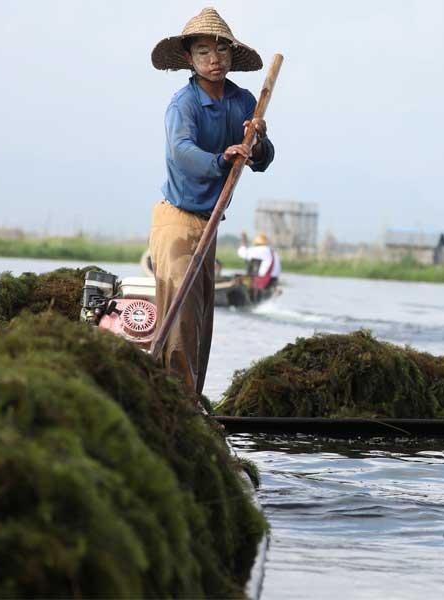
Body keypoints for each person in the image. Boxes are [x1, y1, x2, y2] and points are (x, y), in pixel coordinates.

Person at [148, 7, 275, 394]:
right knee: (180, 316)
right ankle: (173, 400)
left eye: (221, 50)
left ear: (232, 55)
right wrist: (222, 158)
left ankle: (191, 399)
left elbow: (263, 159)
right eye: (203, 52)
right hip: (177, 220)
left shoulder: (243, 101)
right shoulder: (183, 104)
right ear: (190, 59)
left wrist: (257, 140)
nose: (214, 59)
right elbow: (182, 152)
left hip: (210, 222)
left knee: (202, 318)